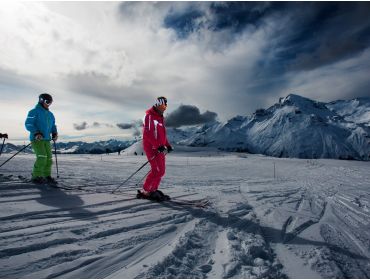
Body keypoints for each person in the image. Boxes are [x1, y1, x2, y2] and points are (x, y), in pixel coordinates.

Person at [137, 96, 173, 201]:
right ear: (157, 105)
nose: (164, 108)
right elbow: (147, 133)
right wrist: (158, 145)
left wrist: (167, 145)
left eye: (165, 106)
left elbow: (162, 135)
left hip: (160, 148)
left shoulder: (160, 117)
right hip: (151, 148)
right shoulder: (149, 116)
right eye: (162, 105)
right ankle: (147, 190)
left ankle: (153, 190)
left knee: (161, 171)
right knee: (156, 170)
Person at [25, 93, 58, 184]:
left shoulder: (51, 114)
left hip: (47, 140)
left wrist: (54, 133)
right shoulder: (34, 111)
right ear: (41, 100)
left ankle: (46, 175)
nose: (49, 104)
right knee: (42, 157)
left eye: (50, 102)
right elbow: (28, 124)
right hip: (37, 139)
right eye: (47, 102)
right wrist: (36, 132)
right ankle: (36, 176)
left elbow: (53, 125)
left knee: (49, 159)